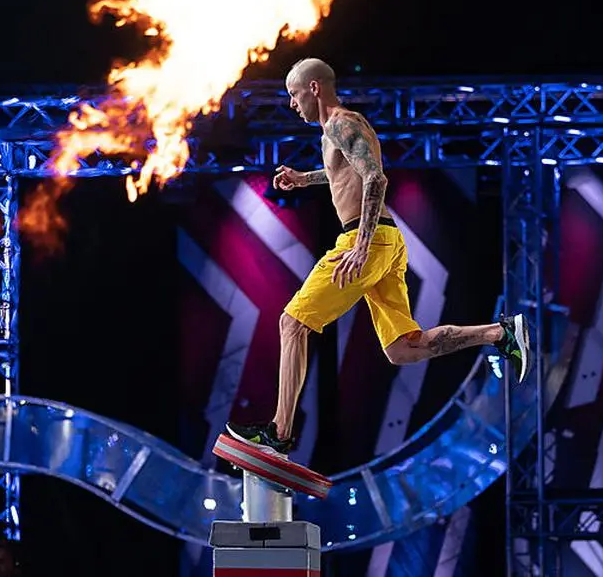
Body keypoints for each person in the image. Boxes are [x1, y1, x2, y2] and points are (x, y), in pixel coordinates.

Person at [225, 58, 532, 457]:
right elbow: (346, 173)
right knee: (404, 348)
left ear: (314, 88)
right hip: (384, 243)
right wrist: (305, 178)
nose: (291, 104)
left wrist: (361, 244)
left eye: (294, 94)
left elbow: (376, 178)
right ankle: (499, 333)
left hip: (366, 241)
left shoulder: (341, 123)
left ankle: (279, 433)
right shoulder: (337, 129)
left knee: (292, 323)